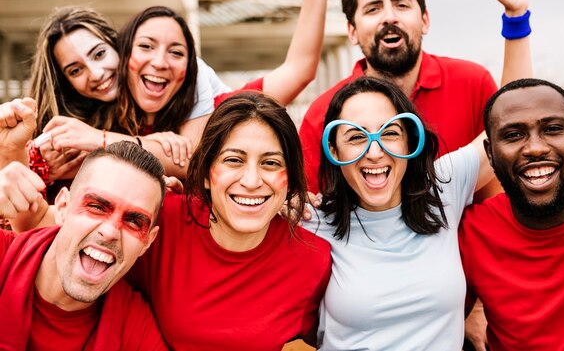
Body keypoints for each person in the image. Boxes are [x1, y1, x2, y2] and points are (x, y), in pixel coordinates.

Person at [30, 0, 330, 177]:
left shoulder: (221, 108)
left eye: (176, 53)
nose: (95, 74)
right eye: (74, 70)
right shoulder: (85, 122)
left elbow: (194, 160)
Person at [299, 0, 534, 200]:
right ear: (352, 31)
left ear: (425, 20)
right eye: (373, 9)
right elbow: (308, 208)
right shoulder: (322, 115)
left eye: (401, 4)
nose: (389, 17)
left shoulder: (472, 83)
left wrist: (516, 16)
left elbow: (514, 122)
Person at [125, 91, 332, 350]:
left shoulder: (313, 259)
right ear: (205, 175)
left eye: (270, 163)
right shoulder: (162, 221)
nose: (252, 181)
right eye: (234, 160)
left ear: (289, 179)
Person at [303, 75, 493, 350]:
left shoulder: (443, 189)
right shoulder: (314, 222)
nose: (375, 151)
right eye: (356, 137)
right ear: (334, 150)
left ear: (408, 142)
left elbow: (511, 118)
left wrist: (516, 30)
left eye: (390, 133)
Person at [458, 78, 564, 351]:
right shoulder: (470, 233)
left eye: (553, 129)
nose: (536, 148)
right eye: (513, 135)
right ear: (490, 154)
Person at [0, 137, 167, 350]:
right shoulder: (4, 254)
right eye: (97, 206)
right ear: (62, 206)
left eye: (134, 221)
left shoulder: (133, 327)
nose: (109, 232)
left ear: (148, 242)